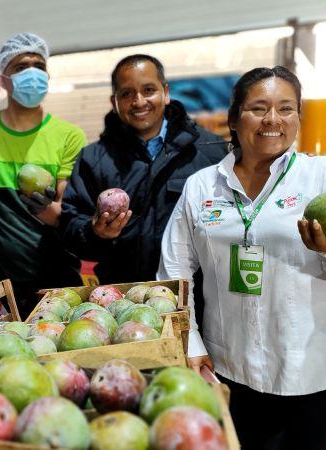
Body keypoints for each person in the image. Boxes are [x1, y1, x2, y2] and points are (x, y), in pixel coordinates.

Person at [158, 66, 326, 450]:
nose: (273, 120)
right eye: (258, 108)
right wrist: (190, 343)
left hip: (314, 372)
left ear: (298, 117)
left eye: (286, 108)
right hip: (230, 368)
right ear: (234, 117)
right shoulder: (202, 186)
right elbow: (174, 272)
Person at [60, 54, 227, 284]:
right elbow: (70, 228)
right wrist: (95, 232)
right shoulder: (93, 159)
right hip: (125, 302)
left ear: (165, 93)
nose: (139, 101)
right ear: (114, 101)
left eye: (149, 90)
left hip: (196, 298)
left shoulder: (209, 152)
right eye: (127, 94)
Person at [0, 32, 86, 317]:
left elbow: (67, 213)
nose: (32, 73)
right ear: (3, 81)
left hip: (55, 284)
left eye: (38, 66)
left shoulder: (69, 137)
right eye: (20, 67)